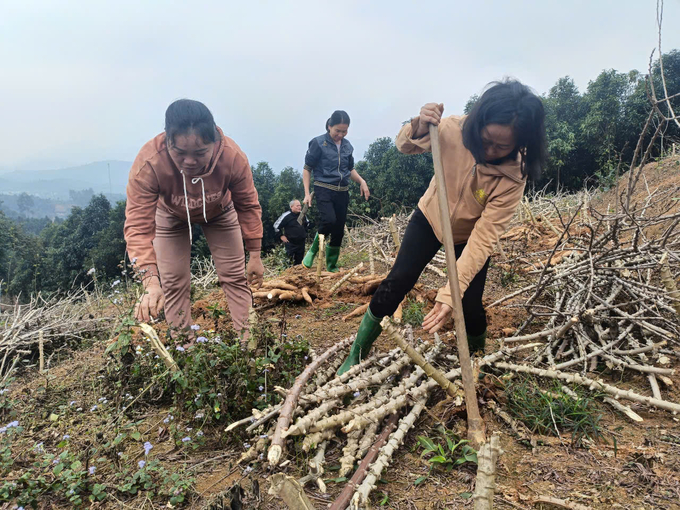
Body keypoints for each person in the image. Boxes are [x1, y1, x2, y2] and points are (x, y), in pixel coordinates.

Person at [337, 80, 547, 374]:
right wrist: (419, 125)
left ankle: (475, 360)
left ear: (521, 142)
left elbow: (484, 238)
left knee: (470, 305)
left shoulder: (514, 176)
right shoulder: (453, 130)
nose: (489, 150)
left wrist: (451, 293)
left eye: (501, 146)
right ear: (478, 124)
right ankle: (356, 353)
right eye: (486, 140)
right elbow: (404, 145)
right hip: (430, 217)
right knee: (398, 281)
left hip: (470, 235)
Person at [124, 99, 264, 344]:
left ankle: (248, 343)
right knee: (173, 282)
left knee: (234, 277)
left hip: (220, 211)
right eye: (179, 152)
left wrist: (254, 254)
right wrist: (149, 280)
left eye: (200, 153)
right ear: (167, 141)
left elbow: (248, 205)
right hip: (170, 215)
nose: (190, 161)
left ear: (215, 142)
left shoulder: (231, 157)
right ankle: (185, 348)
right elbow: (137, 226)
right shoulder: (150, 163)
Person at [301, 110, 370, 272]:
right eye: (337, 131)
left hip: (342, 191)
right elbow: (307, 168)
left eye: (344, 131)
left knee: (339, 228)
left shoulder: (347, 146)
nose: (340, 134)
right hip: (323, 188)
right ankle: (312, 251)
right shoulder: (318, 143)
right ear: (329, 126)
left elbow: (349, 169)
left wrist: (361, 181)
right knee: (329, 220)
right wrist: (306, 193)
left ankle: (332, 264)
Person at [273, 199, 309, 265]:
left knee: (299, 263)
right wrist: (281, 236)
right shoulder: (286, 216)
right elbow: (276, 226)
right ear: (291, 206)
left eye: (300, 205)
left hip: (301, 243)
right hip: (290, 243)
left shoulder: (302, 215)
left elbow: (307, 225)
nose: (299, 207)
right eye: (297, 206)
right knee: (289, 262)